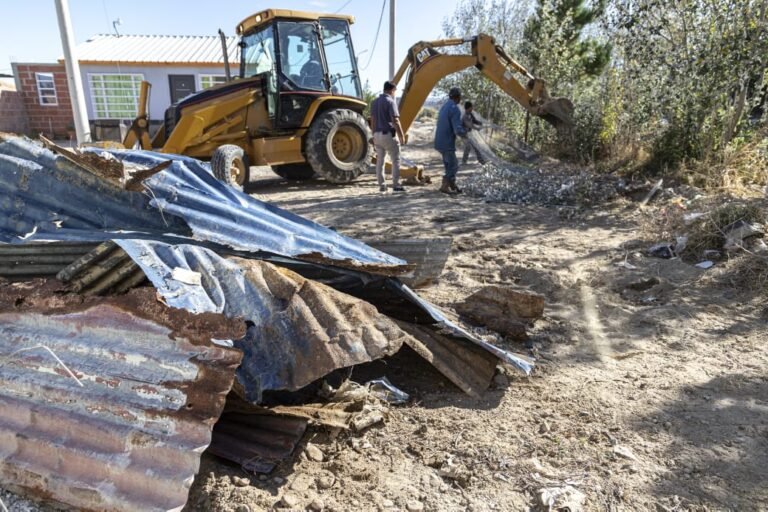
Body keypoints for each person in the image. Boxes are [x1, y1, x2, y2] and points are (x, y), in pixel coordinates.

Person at [370, 80, 406, 192]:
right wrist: (401, 136)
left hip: (377, 135)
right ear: (392, 90)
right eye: (395, 91)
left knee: (380, 161)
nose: (395, 93)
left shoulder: (374, 102)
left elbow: (373, 120)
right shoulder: (391, 101)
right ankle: (396, 185)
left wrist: (374, 135)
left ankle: (382, 185)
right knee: (395, 159)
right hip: (388, 135)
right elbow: (395, 120)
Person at [434, 87, 467, 194]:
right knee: (454, 165)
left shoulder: (445, 106)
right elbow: (457, 129)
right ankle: (445, 185)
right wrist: (465, 132)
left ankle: (452, 184)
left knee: (448, 164)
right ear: (458, 97)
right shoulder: (454, 108)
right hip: (447, 142)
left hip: (439, 141)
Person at [461, 101, 487, 165]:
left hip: (469, 133)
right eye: (471, 107)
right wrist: (477, 128)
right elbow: (470, 125)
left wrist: (481, 123)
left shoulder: (470, 114)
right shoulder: (465, 116)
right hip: (464, 134)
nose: (472, 108)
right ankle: (464, 162)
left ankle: (481, 160)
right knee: (468, 147)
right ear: (468, 108)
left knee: (476, 146)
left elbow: (474, 121)